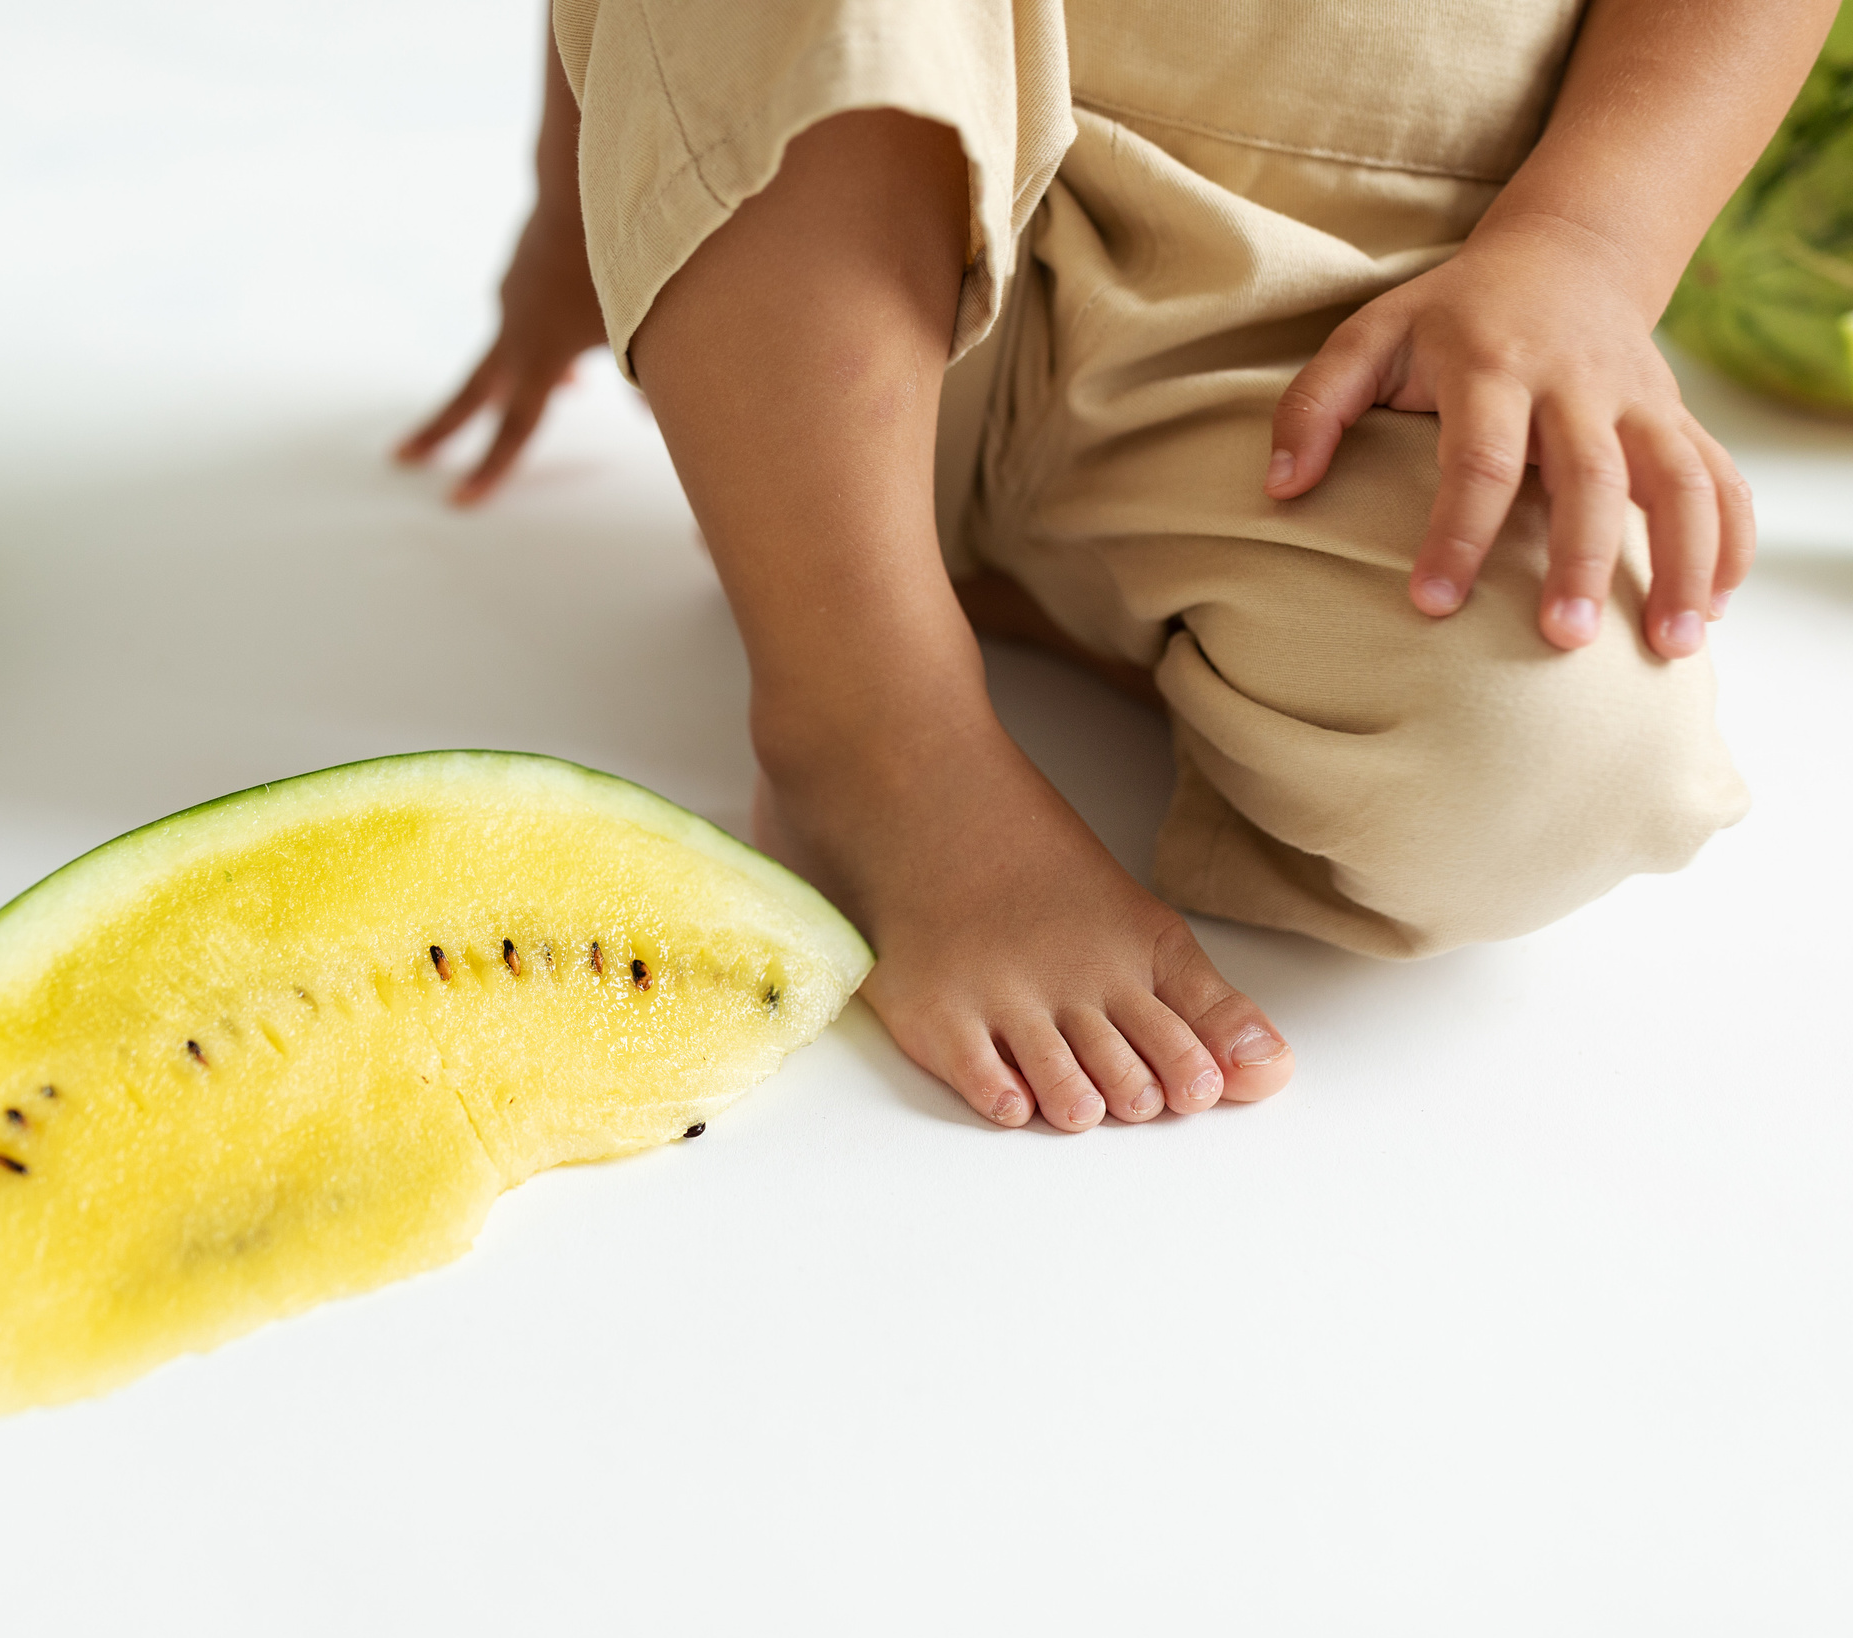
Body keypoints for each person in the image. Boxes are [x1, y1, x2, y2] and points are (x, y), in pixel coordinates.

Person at [398, 0, 1835, 1132]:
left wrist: (1584, 247)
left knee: (1559, 759)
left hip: (1350, 311)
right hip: (868, 197)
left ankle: (1034, 585)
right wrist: (577, 193)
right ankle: (874, 730)